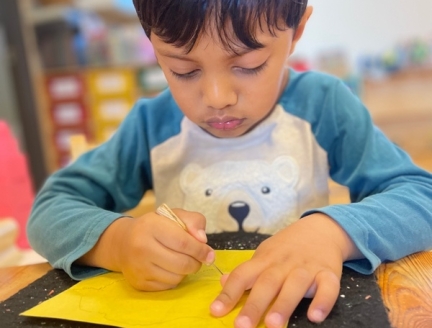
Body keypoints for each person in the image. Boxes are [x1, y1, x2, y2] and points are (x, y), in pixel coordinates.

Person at [27, 1, 432, 327]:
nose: (217, 96)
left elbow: (421, 197)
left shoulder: (323, 106)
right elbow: (51, 209)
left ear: (298, 31)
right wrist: (117, 243)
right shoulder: (151, 125)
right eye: (183, 69)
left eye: (249, 65)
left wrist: (332, 233)